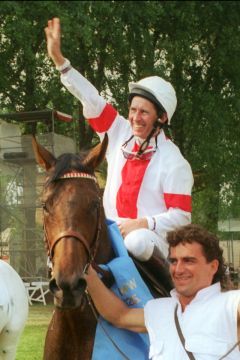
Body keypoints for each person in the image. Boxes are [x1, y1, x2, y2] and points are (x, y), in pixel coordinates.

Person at [45, 18, 194, 284]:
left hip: (151, 239)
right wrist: (60, 62)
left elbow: (182, 216)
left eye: (144, 112)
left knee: (136, 242)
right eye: (133, 110)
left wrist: (144, 223)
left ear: (160, 117)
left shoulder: (174, 161)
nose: (136, 117)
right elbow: (91, 99)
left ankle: (171, 295)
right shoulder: (118, 132)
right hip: (109, 232)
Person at [85, 224, 240, 359]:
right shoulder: (157, 309)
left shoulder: (231, 304)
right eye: (173, 261)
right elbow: (119, 315)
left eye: (188, 261)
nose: (178, 269)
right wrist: (87, 272)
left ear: (213, 266)